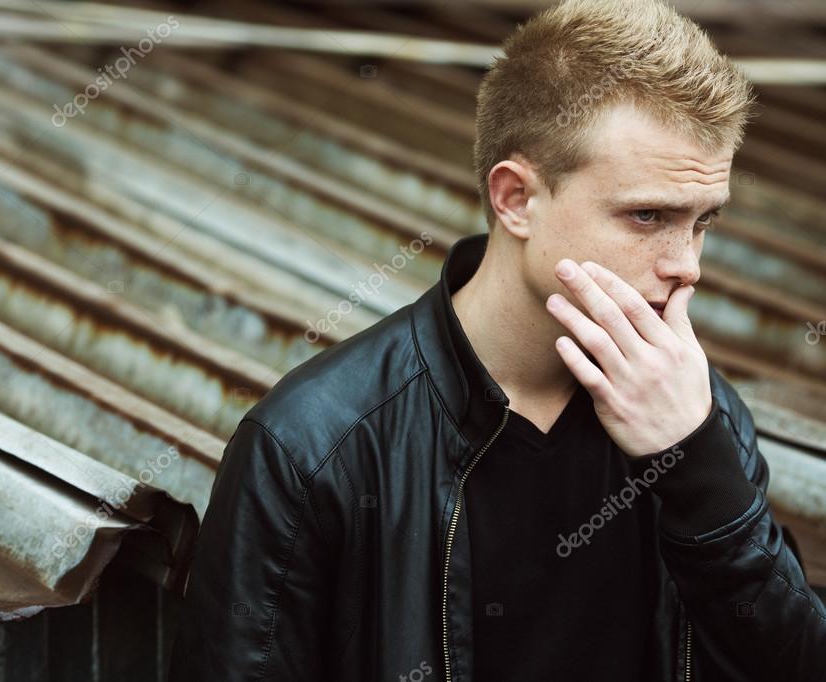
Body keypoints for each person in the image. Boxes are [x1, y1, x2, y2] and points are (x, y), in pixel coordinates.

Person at [168, 0, 826, 679]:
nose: (685, 263)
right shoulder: (316, 444)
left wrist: (699, 467)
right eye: (646, 215)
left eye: (701, 221)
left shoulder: (696, 410)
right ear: (514, 199)